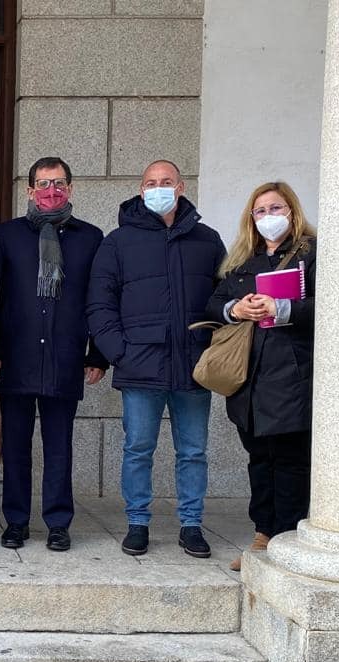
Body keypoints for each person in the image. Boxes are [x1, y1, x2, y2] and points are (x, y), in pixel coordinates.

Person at [87, 160, 224, 559]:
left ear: (180, 187)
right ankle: (137, 522)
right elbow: (99, 304)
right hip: (140, 364)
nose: (159, 188)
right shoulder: (118, 242)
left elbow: (223, 297)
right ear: (140, 189)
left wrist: (214, 348)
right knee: (138, 448)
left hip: (194, 364)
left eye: (166, 182)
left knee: (194, 450)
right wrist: (119, 353)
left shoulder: (207, 239)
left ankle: (192, 525)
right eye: (151, 183)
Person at [0, 157, 107, 553]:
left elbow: (101, 300)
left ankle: (58, 522)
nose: (50, 191)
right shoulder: (6, 237)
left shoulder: (91, 238)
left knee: (59, 446)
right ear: (29, 191)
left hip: (65, 355)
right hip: (16, 355)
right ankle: (16, 522)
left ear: (70, 189)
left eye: (58, 183)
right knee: (16, 445)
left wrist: (98, 355)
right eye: (42, 183)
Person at [206, 182, 316, 571]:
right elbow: (215, 304)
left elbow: (331, 304)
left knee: (289, 461)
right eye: (260, 211)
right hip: (249, 378)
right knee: (259, 458)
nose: (268, 217)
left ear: (292, 211)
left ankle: (286, 538)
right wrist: (239, 307)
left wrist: (283, 307)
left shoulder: (311, 254)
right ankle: (262, 534)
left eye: (276, 208)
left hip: (292, 376)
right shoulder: (242, 261)